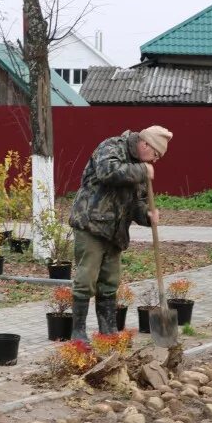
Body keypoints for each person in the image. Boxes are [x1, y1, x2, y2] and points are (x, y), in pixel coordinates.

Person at [68, 126, 172, 339]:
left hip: (115, 232)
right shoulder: (112, 146)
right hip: (91, 224)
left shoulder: (141, 167)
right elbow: (108, 172)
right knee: (86, 278)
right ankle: (78, 332)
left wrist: (147, 215)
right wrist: (142, 171)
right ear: (145, 144)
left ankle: (108, 332)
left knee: (109, 283)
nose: (155, 160)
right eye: (156, 154)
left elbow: (137, 203)